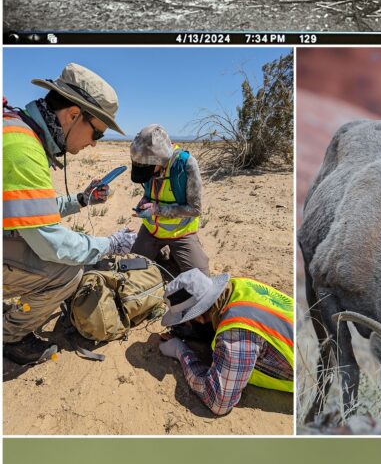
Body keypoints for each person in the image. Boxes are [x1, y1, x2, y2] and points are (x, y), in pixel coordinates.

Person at [3, 63, 137, 366]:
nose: (92, 143)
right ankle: (9, 335)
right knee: (66, 273)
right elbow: (53, 244)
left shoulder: (15, 130)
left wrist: (79, 200)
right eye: (98, 134)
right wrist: (112, 244)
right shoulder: (22, 149)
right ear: (74, 114)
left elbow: (25, 211)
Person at [157, 269, 293, 415]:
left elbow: (218, 402)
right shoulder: (240, 285)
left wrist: (181, 351)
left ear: (200, 317)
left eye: (187, 321)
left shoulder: (236, 333)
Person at [129, 125, 210, 278]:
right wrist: (144, 202)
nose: (147, 174)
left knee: (201, 279)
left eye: (148, 169)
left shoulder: (186, 165)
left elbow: (195, 209)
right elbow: (149, 193)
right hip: (151, 231)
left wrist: (156, 209)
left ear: (161, 159)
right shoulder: (148, 162)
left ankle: (171, 252)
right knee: (131, 271)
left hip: (181, 233)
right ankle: (164, 253)